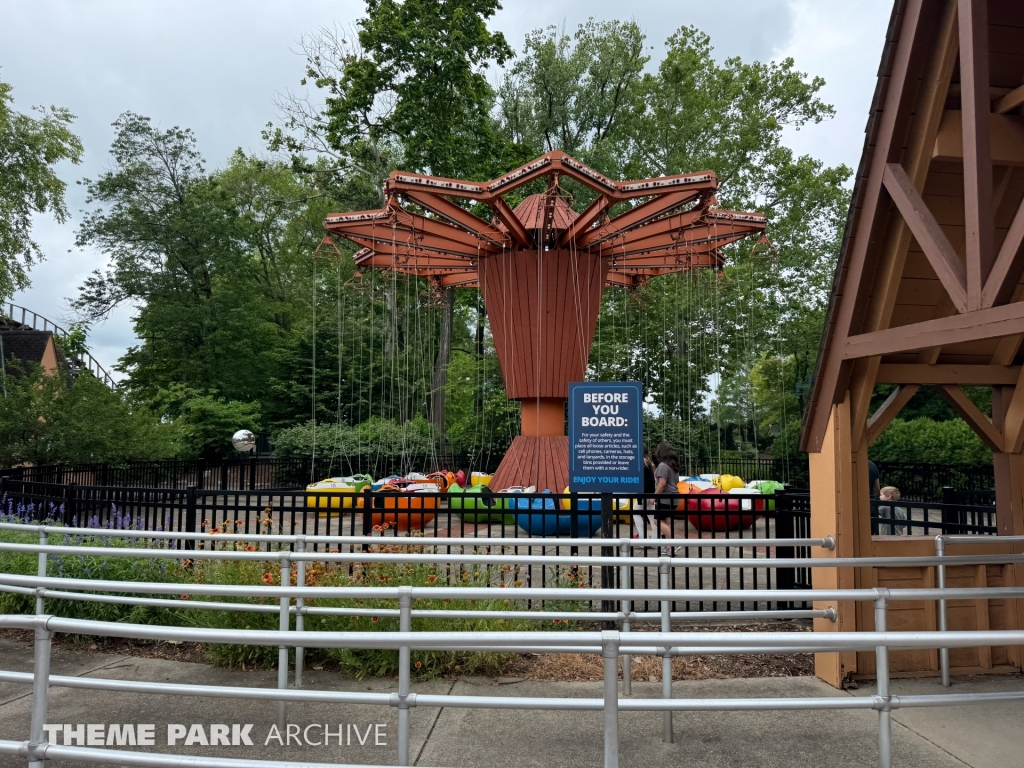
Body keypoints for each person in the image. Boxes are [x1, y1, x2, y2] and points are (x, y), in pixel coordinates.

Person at [653, 442, 680, 541]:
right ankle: (670, 546)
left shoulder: (663, 466)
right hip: (675, 497)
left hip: (665, 498)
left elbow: (662, 483)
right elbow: (676, 481)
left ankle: (674, 542)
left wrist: (654, 497)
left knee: (657, 521)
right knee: (667, 522)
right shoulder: (674, 466)